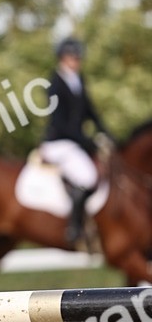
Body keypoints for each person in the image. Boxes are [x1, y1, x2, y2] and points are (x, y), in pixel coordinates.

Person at [39, 37, 110, 243]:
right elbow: (60, 123)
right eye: (72, 57)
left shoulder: (79, 80)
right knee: (87, 177)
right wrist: (86, 141)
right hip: (60, 142)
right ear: (62, 58)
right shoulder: (55, 85)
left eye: (78, 57)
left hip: (75, 140)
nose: (76, 61)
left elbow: (91, 112)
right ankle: (75, 227)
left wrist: (107, 133)